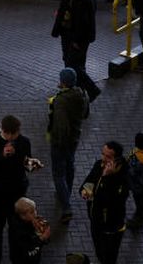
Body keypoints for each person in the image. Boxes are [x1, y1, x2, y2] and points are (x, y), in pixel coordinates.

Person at [0, 115, 42, 264]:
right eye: (10, 134)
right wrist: (2, 156)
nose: (13, 137)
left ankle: (16, 258)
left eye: (16, 133)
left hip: (17, 193)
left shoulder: (24, 142)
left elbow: (25, 163)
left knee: (16, 228)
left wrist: (31, 164)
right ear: (4, 131)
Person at [50, 0, 101, 101]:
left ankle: (91, 89)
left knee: (72, 63)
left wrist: (76, 40)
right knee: (78, 62)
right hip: (80, 36)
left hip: (74, 37)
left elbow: (80, 21)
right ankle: (78, 89)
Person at [47, 68, 90, 223]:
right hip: (74, 139)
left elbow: (60, 125)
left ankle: (66, 206)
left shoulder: (61, 100)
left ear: (63, 82)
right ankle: (67, 192)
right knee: (70, 165)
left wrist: (58, 143)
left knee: (58, 173)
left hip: (61, 142)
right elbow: (85, 114)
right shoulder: (82, 94)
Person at [80, 141, 130, 264]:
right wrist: (85, 191)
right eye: (103, 154)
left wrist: (108, 177)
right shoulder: (99, 165)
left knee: (109, 257)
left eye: (108, 157)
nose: (104, 158)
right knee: (99, 251)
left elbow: (112, 201)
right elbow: (88, 182)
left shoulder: (123, 177)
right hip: (95, 220)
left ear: (116, 159)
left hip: (111, 226)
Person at [9, 198, 51, 264]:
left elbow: (45, 241)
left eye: (35, 210)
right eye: (31, 212)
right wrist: (42, 238)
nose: (35, 213)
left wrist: (42, 230)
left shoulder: (31, 222)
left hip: (34, 258)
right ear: (22, 216)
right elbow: (29, 249)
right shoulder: (18, 231)